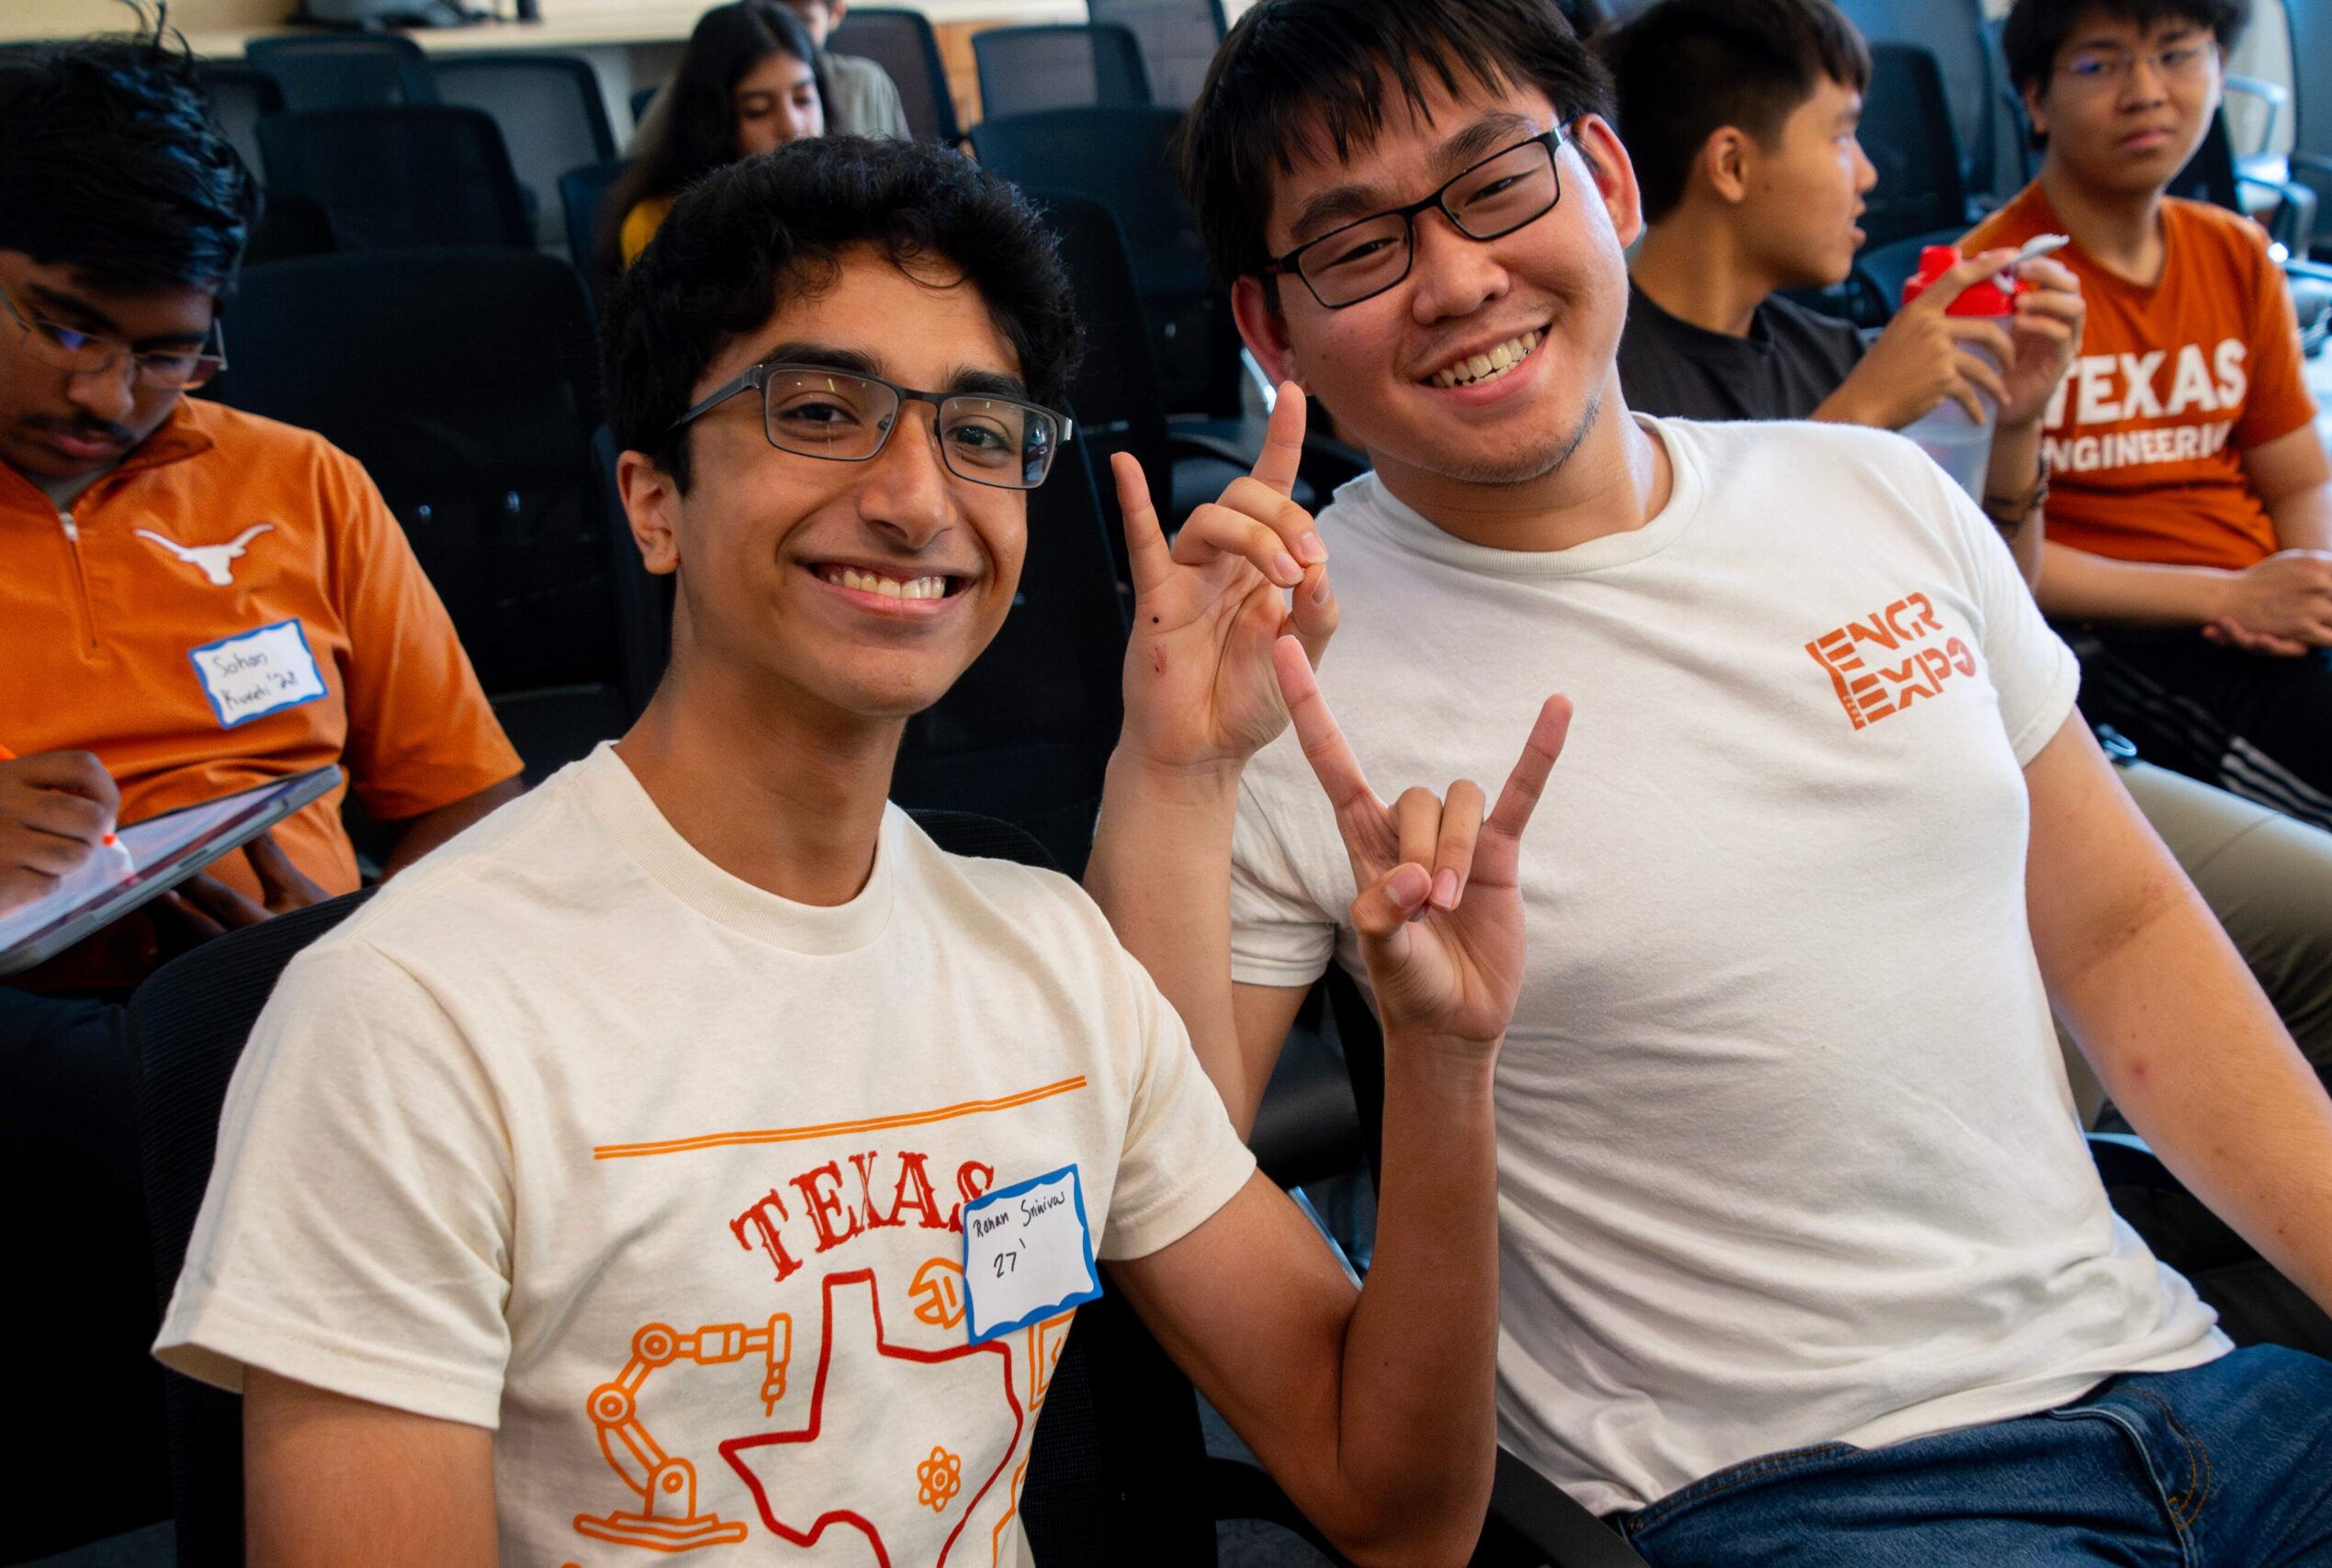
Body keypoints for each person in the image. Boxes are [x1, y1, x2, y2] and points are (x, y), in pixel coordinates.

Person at [156, 135, 1556, 1565]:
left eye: (980, 431)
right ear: (652, 500)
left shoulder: (1052, 955)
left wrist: (1442, 1065)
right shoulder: (413, 1017)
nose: (916, 496)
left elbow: (1401, 1509)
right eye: (820, 409)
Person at [1087, 0, 2332, 1559]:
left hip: (2200, 1390)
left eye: (1499, 186)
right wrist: (1171, 770)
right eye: (1357, 248)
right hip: (1817, 1491)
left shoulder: (1879, 490)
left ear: (1609, 181)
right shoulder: (1276, 663)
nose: (1461, 276)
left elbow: (2122, 938)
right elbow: (1171, 1175)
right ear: (1270, 334)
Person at [1600, 0, 2332, 1100]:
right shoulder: (1620, 387)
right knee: (2058, 1058)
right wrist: (1863, 411)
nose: (1871, 176)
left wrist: (2017, 426)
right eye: (1844, 134)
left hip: (2020, 759)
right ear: (1729, 163)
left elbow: (2001, 591)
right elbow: (1679, 632)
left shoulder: (1825, 344)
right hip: (1873, 828)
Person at [0, 28, 522, 1559]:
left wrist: (378, 926)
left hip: (298, 986)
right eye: (67, 325)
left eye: (172, 351)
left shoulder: (298, 484)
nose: (112, 393)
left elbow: (463, 808)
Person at [1966, 0, 2332, 841]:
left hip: (2275, 611)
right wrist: (2235, 595)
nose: (2148, 92)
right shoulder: (1989, 282)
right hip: (2138, 644)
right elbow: (1986, 556)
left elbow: (2305, 477)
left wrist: (2316, 574)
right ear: (2035, 99)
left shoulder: (2236, 252)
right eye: (2102, 65)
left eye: (2178, 54)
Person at [604, 0, 831, 272]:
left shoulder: (841, 203)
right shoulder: (658, 224)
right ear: (712, 123)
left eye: (803, 99)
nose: (792, 126)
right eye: (757, 110)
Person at [783, 0, 916, 141]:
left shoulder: (865, 82)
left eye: (803, 20)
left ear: (836, 12)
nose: (787, 34)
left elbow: (899, 159)